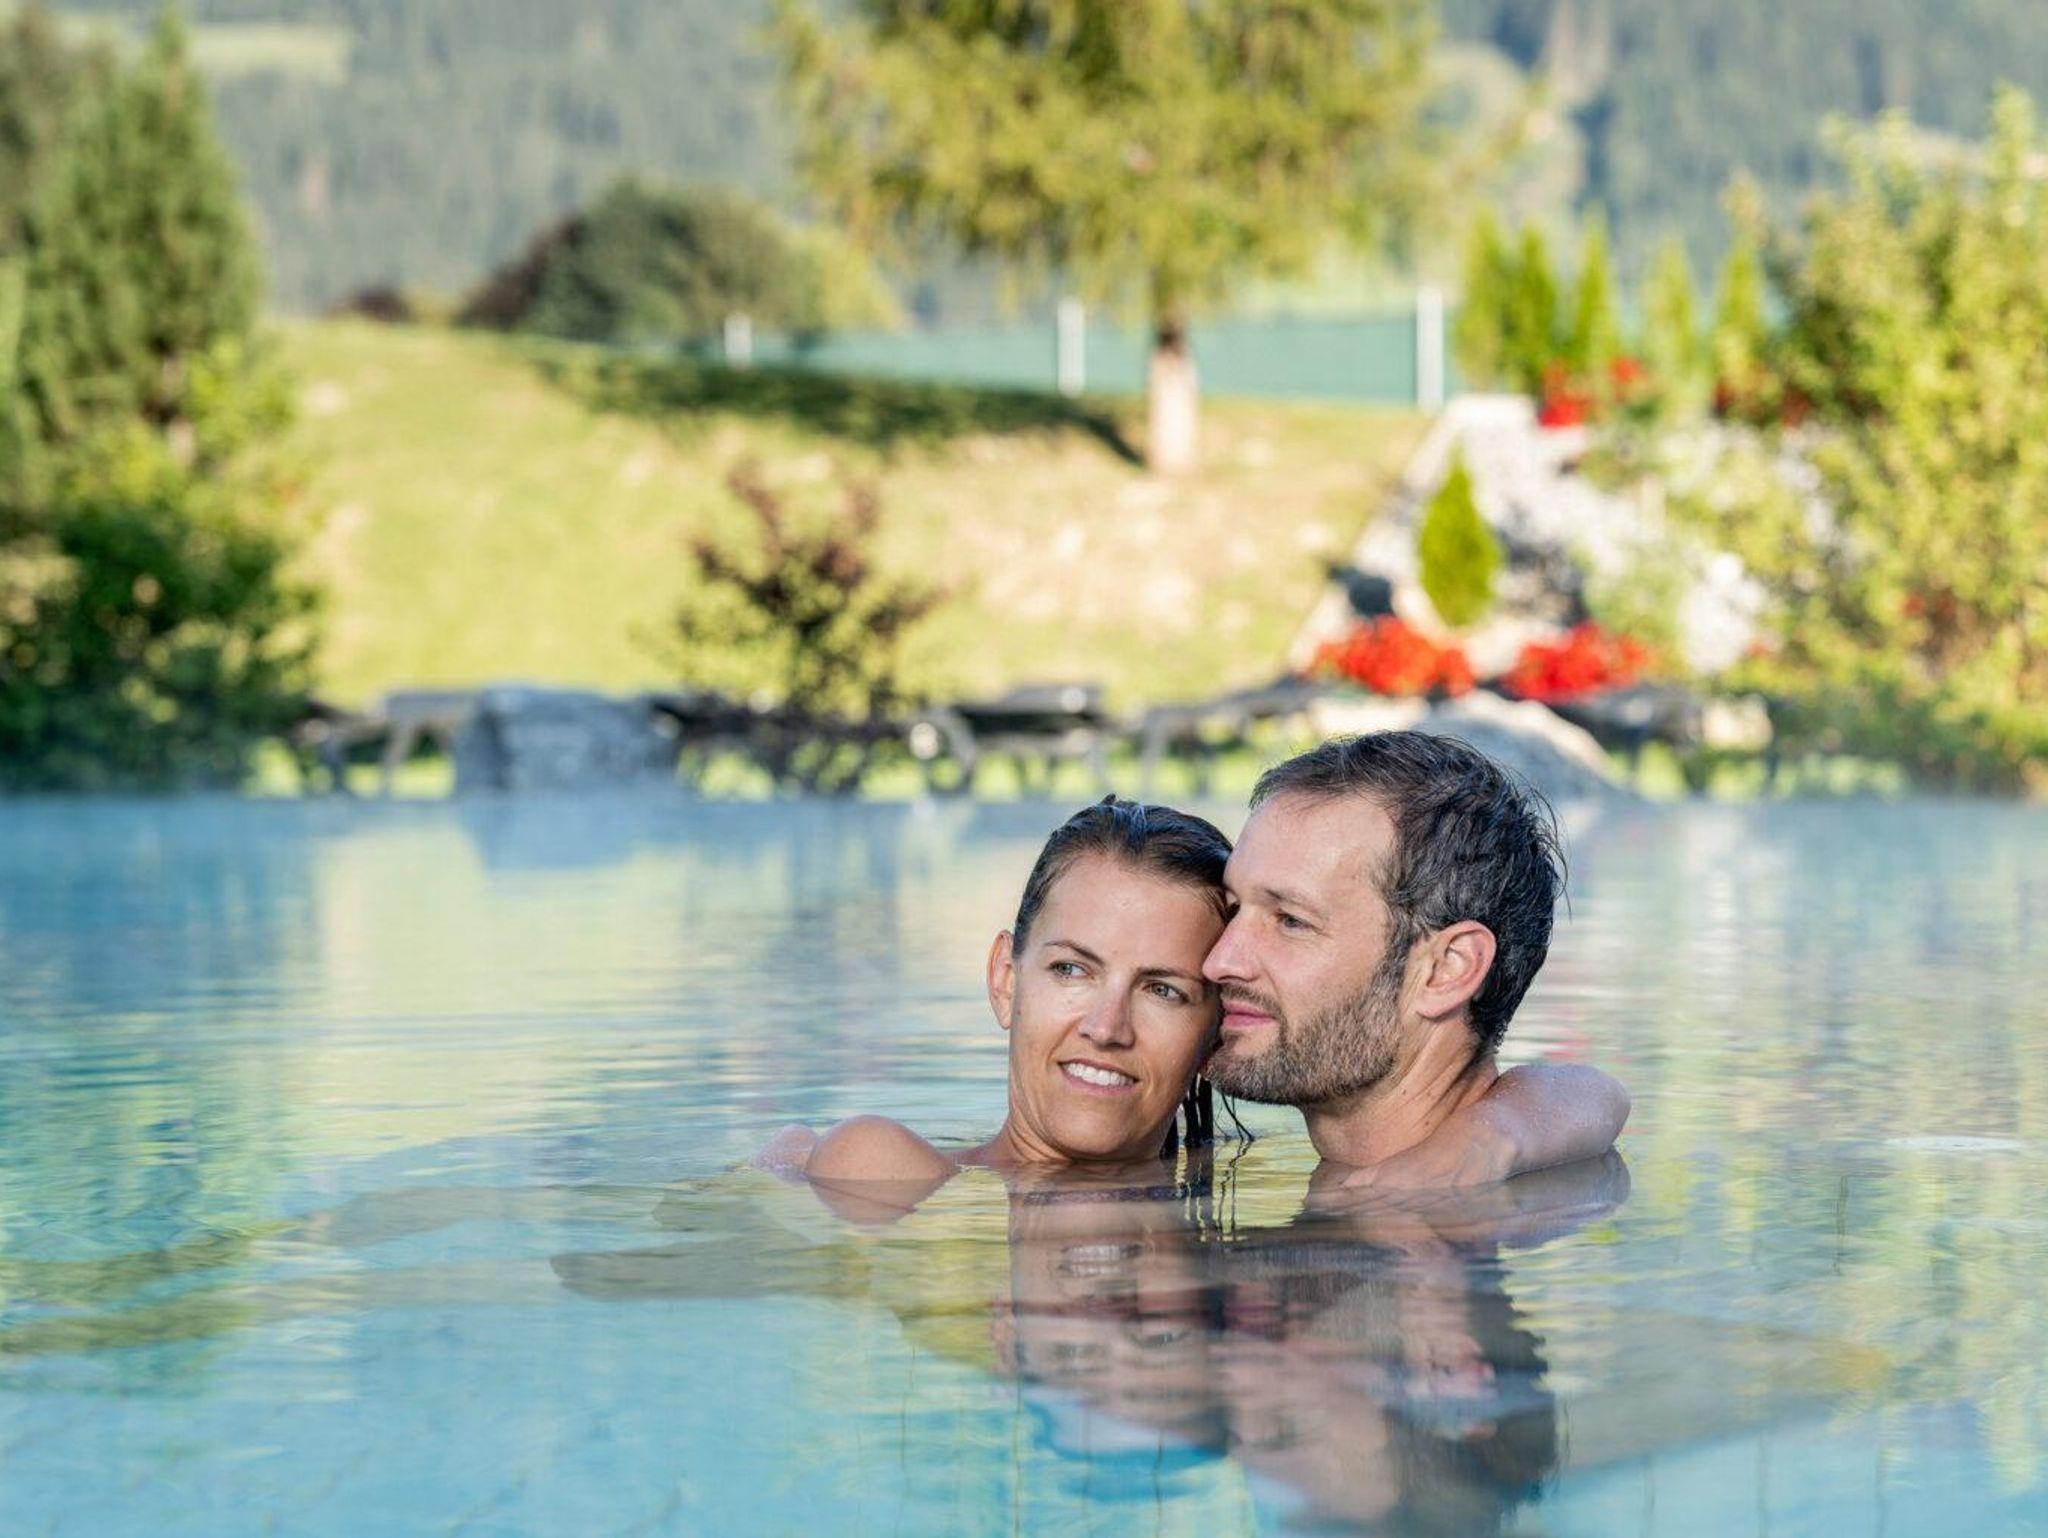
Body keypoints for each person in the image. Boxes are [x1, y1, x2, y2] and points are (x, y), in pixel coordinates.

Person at [762, 785, 1625, 1207]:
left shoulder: (1233, 1189)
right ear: (1004, 980)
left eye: (1167, 990)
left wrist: (1491, 1139)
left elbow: (1594, 1094)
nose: (1106, 1026)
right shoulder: (894, 1172)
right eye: (1070, 970)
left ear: (1218, 1024)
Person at [1203, 731, 1626, 1189]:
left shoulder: (1484, 1212)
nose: (1219, 961)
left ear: (1447, 969)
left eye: (1291, 921)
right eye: (1232, 909)